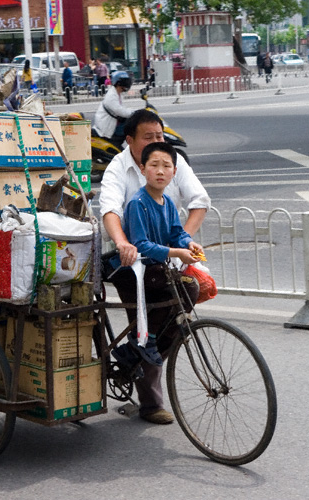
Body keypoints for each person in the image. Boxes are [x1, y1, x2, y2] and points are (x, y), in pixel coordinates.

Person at [100, 109, 210, 425]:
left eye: (159, 136)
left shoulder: (170, 160)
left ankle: (134, 355)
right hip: (132, 262)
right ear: (130, 141)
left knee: (186, 295)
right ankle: (150, 403)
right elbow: (110, 209)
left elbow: (198, 201)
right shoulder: (120, 169)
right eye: (148, 137)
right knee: (145, 318)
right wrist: (123, 244)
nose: (156, 143)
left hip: (168, 258)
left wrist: (185, 244)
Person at [108, 141, 204, 368]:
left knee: (191, 287)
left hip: (156, 267)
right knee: (177, 288)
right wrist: (176, 252)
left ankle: (148, 344)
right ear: (142, 169)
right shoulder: (137, 203)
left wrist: (189, 244)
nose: (160, 171)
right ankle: (146, 339)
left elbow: (176, 233)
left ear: (175, 171)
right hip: (138, 269)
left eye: (166, 166)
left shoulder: (168, 202)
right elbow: (140, 245)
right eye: (154, 165)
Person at [92, 71, 134, 144]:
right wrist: (136, 113)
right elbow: (120, 111)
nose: (127, 83)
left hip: (113, 124)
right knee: (132, 127)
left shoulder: (118, 94)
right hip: (107, 128)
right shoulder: (111, 96)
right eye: (125, 81)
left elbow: (123, 109)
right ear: (118, 83)